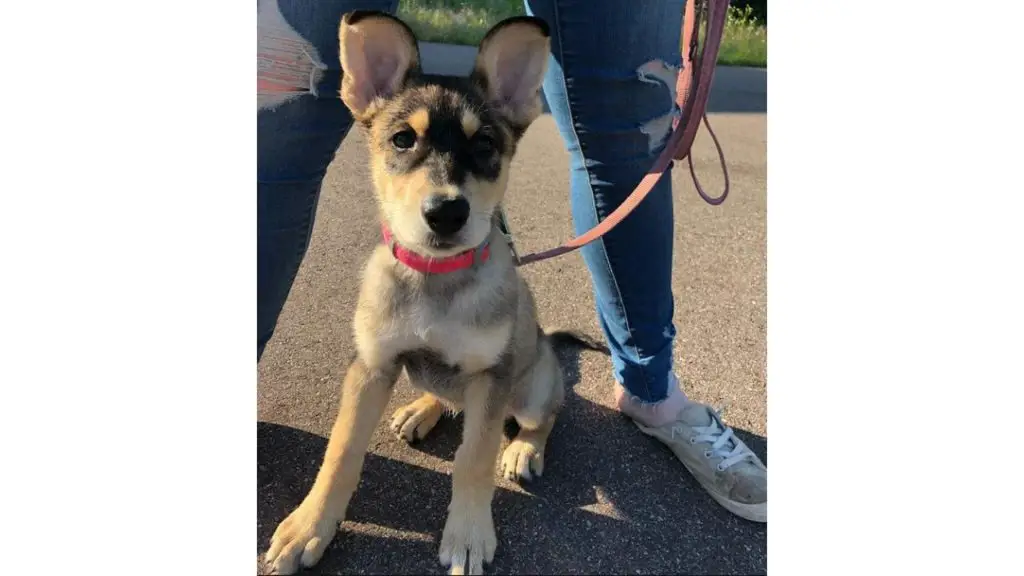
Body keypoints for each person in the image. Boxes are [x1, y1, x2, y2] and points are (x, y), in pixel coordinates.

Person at [258, 0, 766, 523]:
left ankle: (623, 399)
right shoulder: (379, 280)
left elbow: (496, 372)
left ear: (519, 104)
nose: (444, 191)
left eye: (480, 149)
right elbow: (368, 374)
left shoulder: (495, 288)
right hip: (407, 294)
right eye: (405, 140)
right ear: (366, 91)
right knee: (275, 116)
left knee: (621, 131)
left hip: (505, 363)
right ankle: (425, 411)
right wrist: (324, 500)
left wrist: (477, 495)